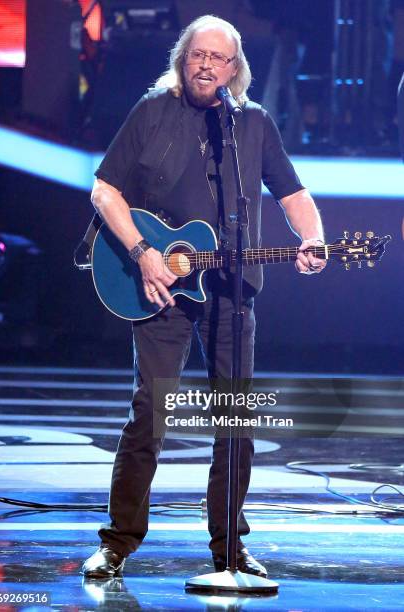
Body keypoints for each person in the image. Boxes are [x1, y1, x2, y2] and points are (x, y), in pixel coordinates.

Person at [82, 14, 326, 579]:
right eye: (197, 55)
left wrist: (311, 238)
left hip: (230, 291)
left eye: (217, 58)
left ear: (233, 69)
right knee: (151, 414)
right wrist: (145, 253)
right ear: (182, 59)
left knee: (235, 420)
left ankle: (229, 547)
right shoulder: (153, 111)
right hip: (160, 287)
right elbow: (104, 188)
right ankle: (118, 542)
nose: (206, 65)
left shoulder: (252, 126)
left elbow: (292, 193)